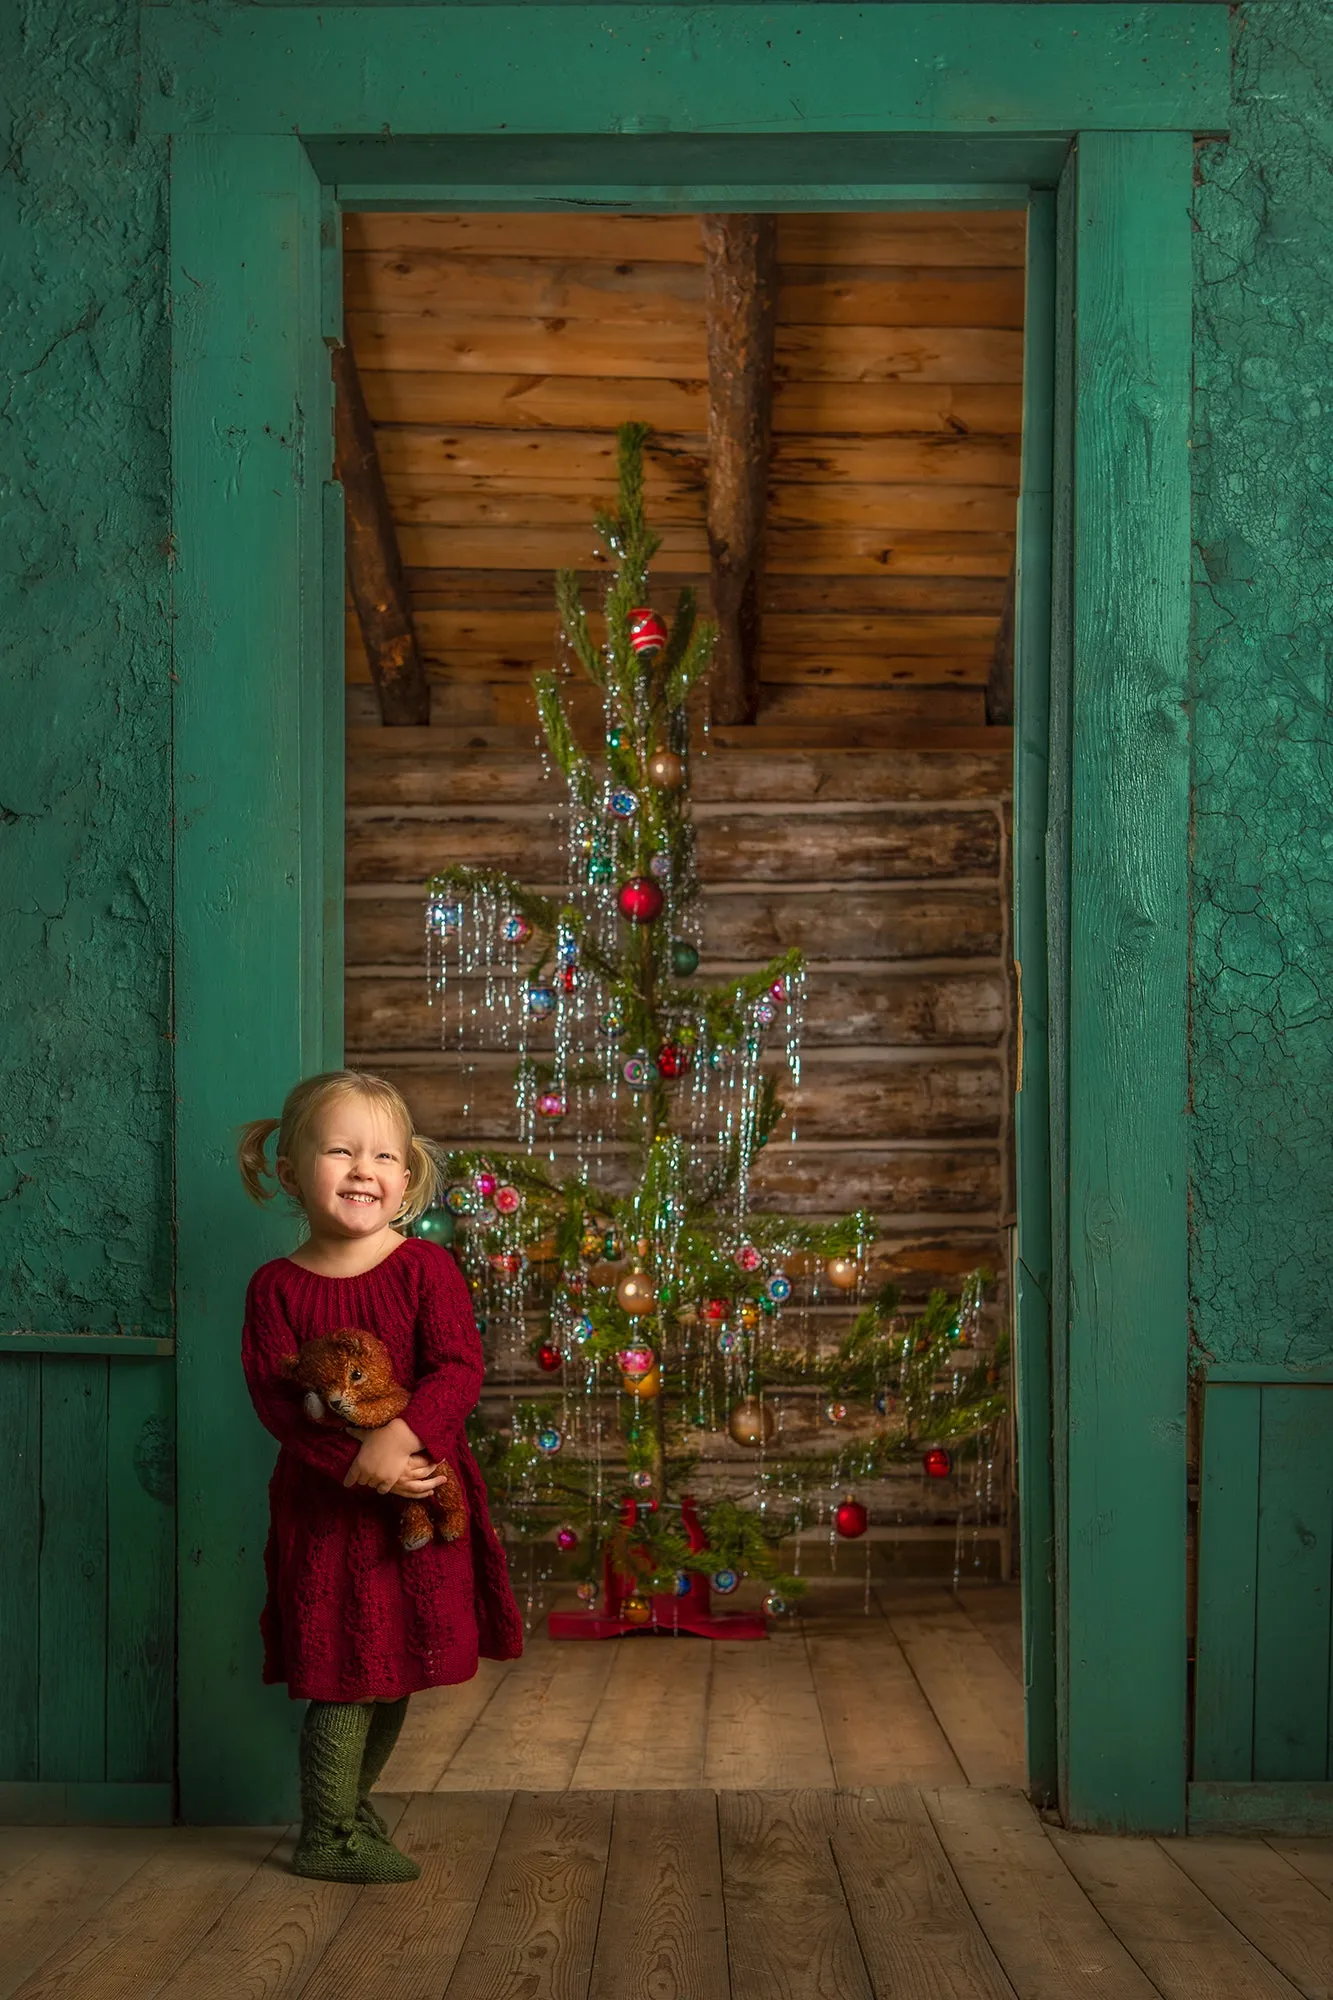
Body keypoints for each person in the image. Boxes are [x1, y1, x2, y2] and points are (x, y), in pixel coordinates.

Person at [237, 1068, 523, 1883]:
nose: (363, 1168)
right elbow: (276, 1403)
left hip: (424, 1500)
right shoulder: (277, 1290)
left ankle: (348, 1807)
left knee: (395, 1666)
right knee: (344, 1672)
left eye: (383, 1156)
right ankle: (325, 1833)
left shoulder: (424, 1269)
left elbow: (457, 1368)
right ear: (291, 1173)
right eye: (338, 1150)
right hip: (328, 1515)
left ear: (405, 1181)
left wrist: (399, 1442)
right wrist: (361, 1465)